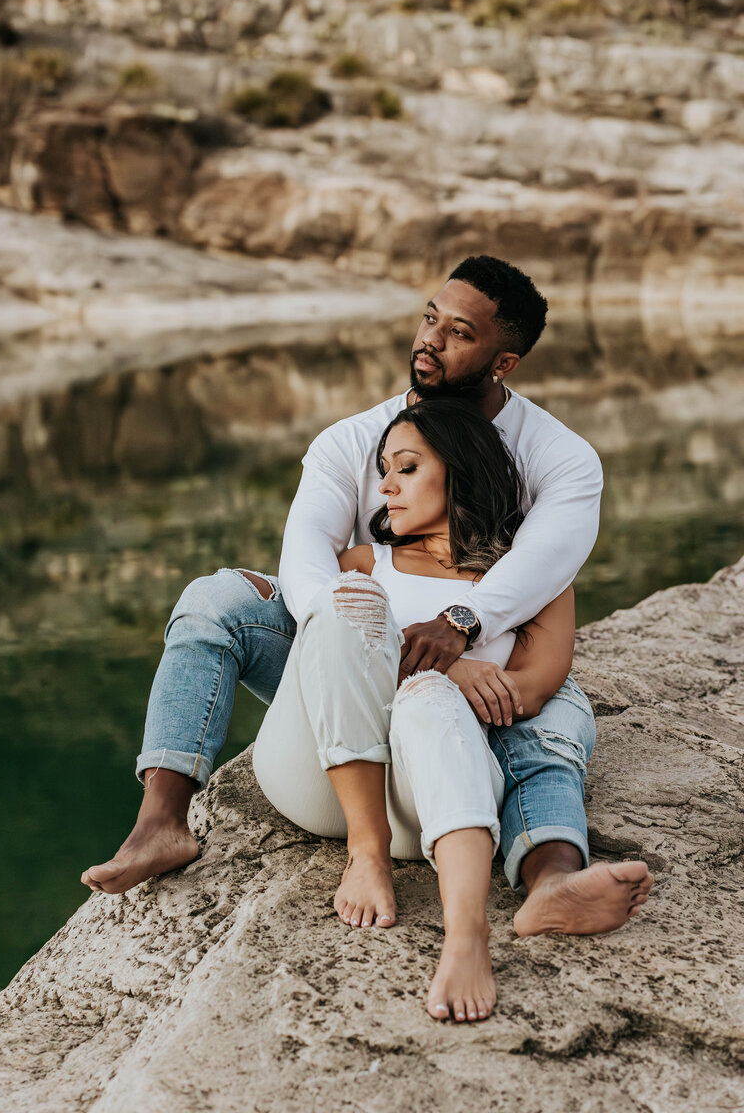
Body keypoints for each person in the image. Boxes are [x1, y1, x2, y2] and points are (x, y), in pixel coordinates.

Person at [81, 256, 653, 947]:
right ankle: (161, 821)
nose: (430, 341)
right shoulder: (351, 441)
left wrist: (458, 632)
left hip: (469, 671)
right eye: (428, 319)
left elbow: (544, 567)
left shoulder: (560, 459)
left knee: (556, 709)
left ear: (502, 363)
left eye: (458, 332)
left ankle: (554, 878)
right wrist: (372, 640)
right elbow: (305, 561)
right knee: (219, 600)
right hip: (352, 656)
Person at [252, 398, 651, 1021]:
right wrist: (453, 662)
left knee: (430, 697)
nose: (383, 486)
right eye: (383, 468)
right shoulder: (364, 563)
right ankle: (366, 852)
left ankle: (467, 938)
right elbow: (329, 651)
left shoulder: (529, 581)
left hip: (431, 798)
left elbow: (535, 689)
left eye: (406, 468)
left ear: (461, 471)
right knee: (345, 603)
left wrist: (443, 678)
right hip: (324, 781)